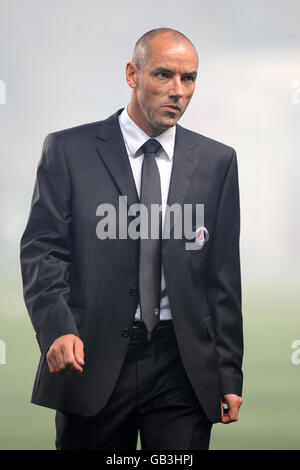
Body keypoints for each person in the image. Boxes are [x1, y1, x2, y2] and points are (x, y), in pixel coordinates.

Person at [20, 28, 243, 450]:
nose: (178, 90)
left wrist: (228, 374)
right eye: (164, 75)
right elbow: (43, 252)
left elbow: (223, 280)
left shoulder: (219, 162)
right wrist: (56, 330)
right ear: (132, 74)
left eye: (189, 78)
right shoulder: (68, 151)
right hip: (92, 361)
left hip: (183, 368)